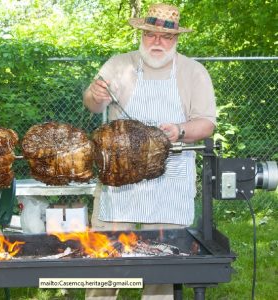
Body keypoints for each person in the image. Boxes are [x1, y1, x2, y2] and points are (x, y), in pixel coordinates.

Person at [83, 3, 216, 300]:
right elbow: (93, 105)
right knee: (105, 260)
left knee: (162, 266)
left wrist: (179, 130)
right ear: (141, 34)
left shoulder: (193, 72)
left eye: (166, 37)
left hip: (169, 180)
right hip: (120, 183)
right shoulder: (119, 64)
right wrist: (94, 94)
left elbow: (206, 123)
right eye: (151, 35)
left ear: (176, 40)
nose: (158, 42)